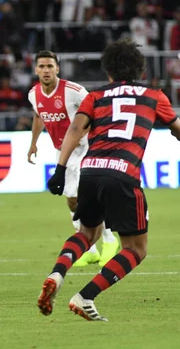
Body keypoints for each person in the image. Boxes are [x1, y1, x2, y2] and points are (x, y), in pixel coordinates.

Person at [38, 38, 180, 321]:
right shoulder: (154, 96)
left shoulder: (96, 97)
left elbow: (76, 128)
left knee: (85, 233)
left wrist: (61, 168)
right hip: (123, 174)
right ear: (139, 69)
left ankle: (57, 272)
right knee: (135, 249)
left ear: (108, 71)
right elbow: (176, 128)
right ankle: (84, 296)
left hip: (90, 171)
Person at [27, 50, 119, 267]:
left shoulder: (74, 91)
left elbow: (98, 112)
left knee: (89, 197)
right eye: (42, 66)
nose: (46, 70)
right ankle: (90, 248)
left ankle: (109, 240)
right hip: (63, 152)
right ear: (36, 70)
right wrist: (33, 143)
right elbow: (38, 116)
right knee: (71, 200)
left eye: (50, 66)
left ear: (57, 68)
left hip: (87, 147)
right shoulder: (33, 94)